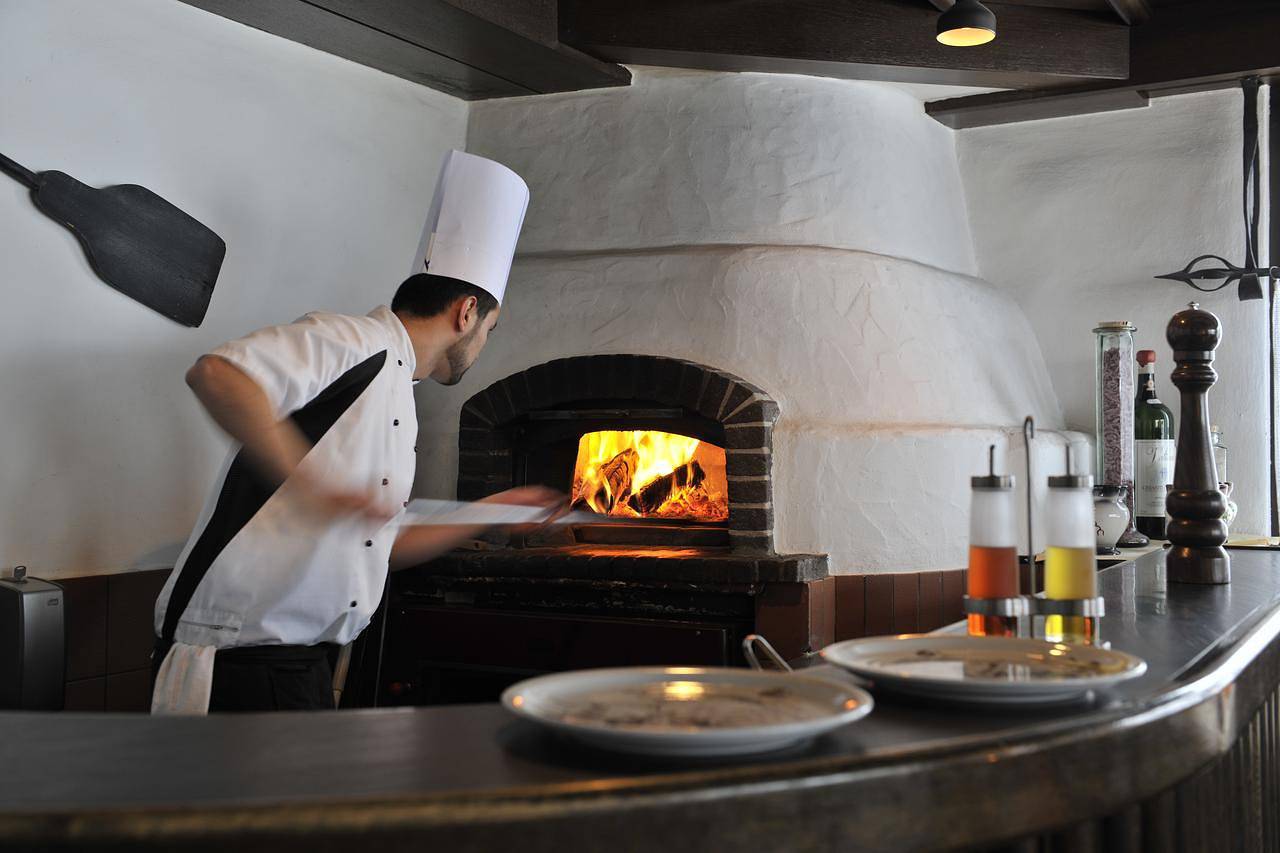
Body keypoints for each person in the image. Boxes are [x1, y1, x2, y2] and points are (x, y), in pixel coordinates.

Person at [150, 150, 554, 714]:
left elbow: (381, 544)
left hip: (301, 665)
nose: (484, 344)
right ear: (466, 313)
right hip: (239, 660)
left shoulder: (398, 392)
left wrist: (497, 509)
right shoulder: (353, 342)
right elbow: (217, 373)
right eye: (490, 328)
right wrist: (309, 478)